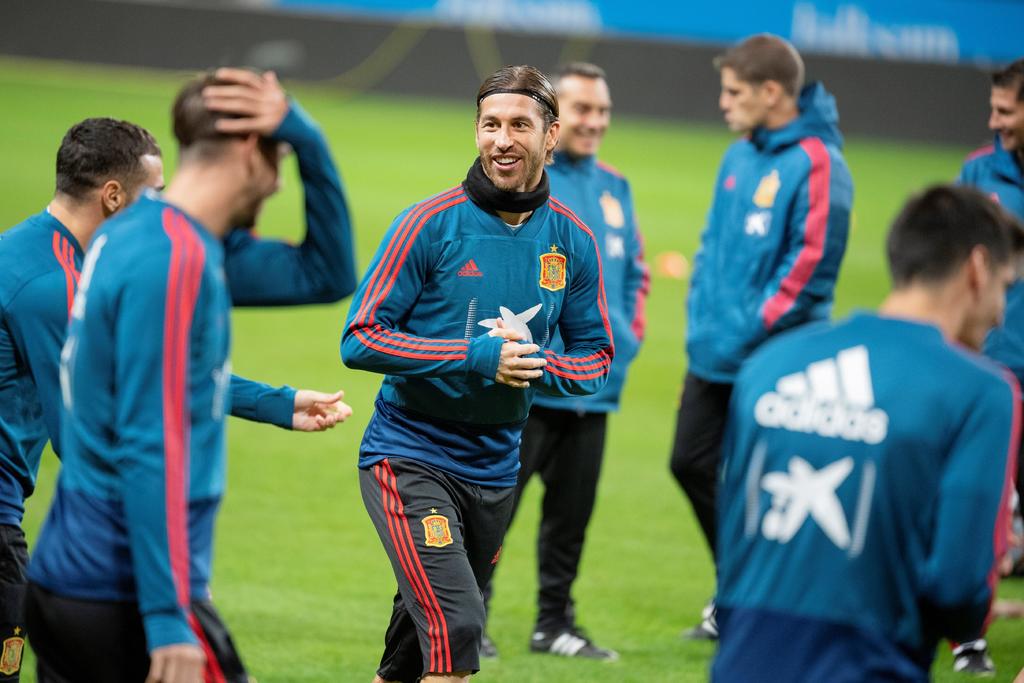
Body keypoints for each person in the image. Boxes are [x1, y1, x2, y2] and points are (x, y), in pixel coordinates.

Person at [0, 67, 357, 681]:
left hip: (74, 572)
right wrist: (169, 610)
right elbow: (145, 439)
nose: (278, 183)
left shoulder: (130, 238)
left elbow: (325, 275)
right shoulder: (172, 257)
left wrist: (273, 402)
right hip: (117, 581)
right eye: (281, 158)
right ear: (251, 150)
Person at [341, 64, 614, 683]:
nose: (502, 140)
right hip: (410, 454)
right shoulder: (427, 224)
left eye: (519, 125)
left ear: (551, 135)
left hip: (495, 466)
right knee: (460, 622)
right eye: (490, 125)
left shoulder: (572, 241)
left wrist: (537, 365)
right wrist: (476, 356)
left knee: (413, 652)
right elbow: (360, 338)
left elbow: (596, 357)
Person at [712, 185, 1023, 682]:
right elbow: (957, 586)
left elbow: (734, 535)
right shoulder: (981, 392)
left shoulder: (770, 365)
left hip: (739, 664)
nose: (1002, 312)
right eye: (1006, 286)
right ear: (977, 268)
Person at [669, 33, 853, 639]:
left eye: (733, 92)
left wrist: (749, 329)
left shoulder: (819, 162)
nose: (723, 103)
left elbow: (810, 265)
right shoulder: (738, 156)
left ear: (771, 92)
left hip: (778, 357)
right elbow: (710, 248)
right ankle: (743, 586)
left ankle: (761, 602)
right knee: (689, 461)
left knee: (772, 485)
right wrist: (703, 326)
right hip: (716, 352)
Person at [481, 62, 647, 661]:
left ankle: (554, 624)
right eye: (583, 109)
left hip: (593, 388)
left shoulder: (615, 186)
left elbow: (636, 272)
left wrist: (628, 336)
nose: (595, 122)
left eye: (603, 110)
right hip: (526, 387)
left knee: (571, 521)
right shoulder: (526, 186)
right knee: (493, 513)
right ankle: (469, 619)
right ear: (553, 123)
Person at [952, 56, 1024, 676]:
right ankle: (966, 635)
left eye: (1006, 109)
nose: (994, 120)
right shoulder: (979, 172)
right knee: (976, 507)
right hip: (993, 373)